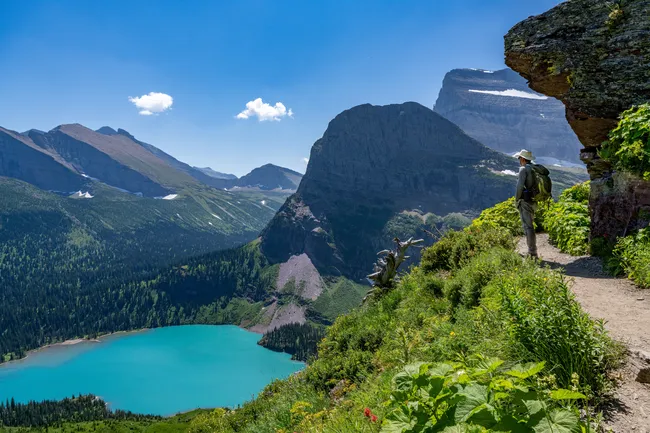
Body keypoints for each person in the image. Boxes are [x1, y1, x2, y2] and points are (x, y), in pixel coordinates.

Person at [514, 149, 537, 258]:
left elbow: (519, 187)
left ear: (523, 159)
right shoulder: (534, 169)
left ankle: (532, 252)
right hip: (533, 201)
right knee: (530, 225)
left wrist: (517, 199)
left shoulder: (523, 170)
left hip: (525, 201)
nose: (519, 160)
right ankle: (532, 251)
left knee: (528, 227)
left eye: (519, 158)